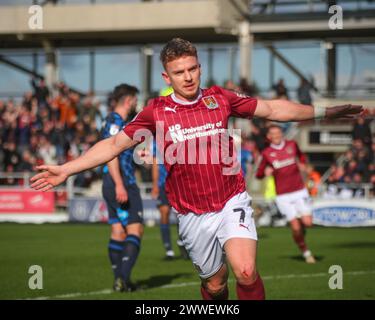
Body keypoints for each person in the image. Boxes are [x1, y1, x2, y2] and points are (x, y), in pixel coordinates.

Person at [30, 38, 363, 300]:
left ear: (199, 67)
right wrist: (68, 169)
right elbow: (115, 145)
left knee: (246, 271)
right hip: (191, 214)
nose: (188, 77)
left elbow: (274, 108)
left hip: (231, 199)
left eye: (193, 68)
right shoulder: (155, 112)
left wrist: (325, 112)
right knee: (216, 285)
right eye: (179, 72)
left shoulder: (220, 98)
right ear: (167, 76)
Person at [100, 84, 144, 292]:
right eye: (135, 99)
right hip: (121, 182)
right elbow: (110, 155)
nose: (136, 103)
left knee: (118, 231)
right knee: (135, 229)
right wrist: (120, 184)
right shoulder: (115, 121)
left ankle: (120, 278)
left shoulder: (117, 122)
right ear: (128, 100)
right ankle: (123, 278)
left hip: (112, 181)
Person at [255, 125, 316, 263]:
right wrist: (265, 172)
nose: (276, 136)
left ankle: (301, 227)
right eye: (273, 134)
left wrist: (303, 165)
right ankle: (306, 253)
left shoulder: (292, 145)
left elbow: (301, 157)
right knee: (295, 227)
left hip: (299, 190)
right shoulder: (266, 153)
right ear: (269, 137)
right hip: (283, 195)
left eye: (278, 133)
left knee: (308, 222)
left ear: (281, 134)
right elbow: (258, 174)